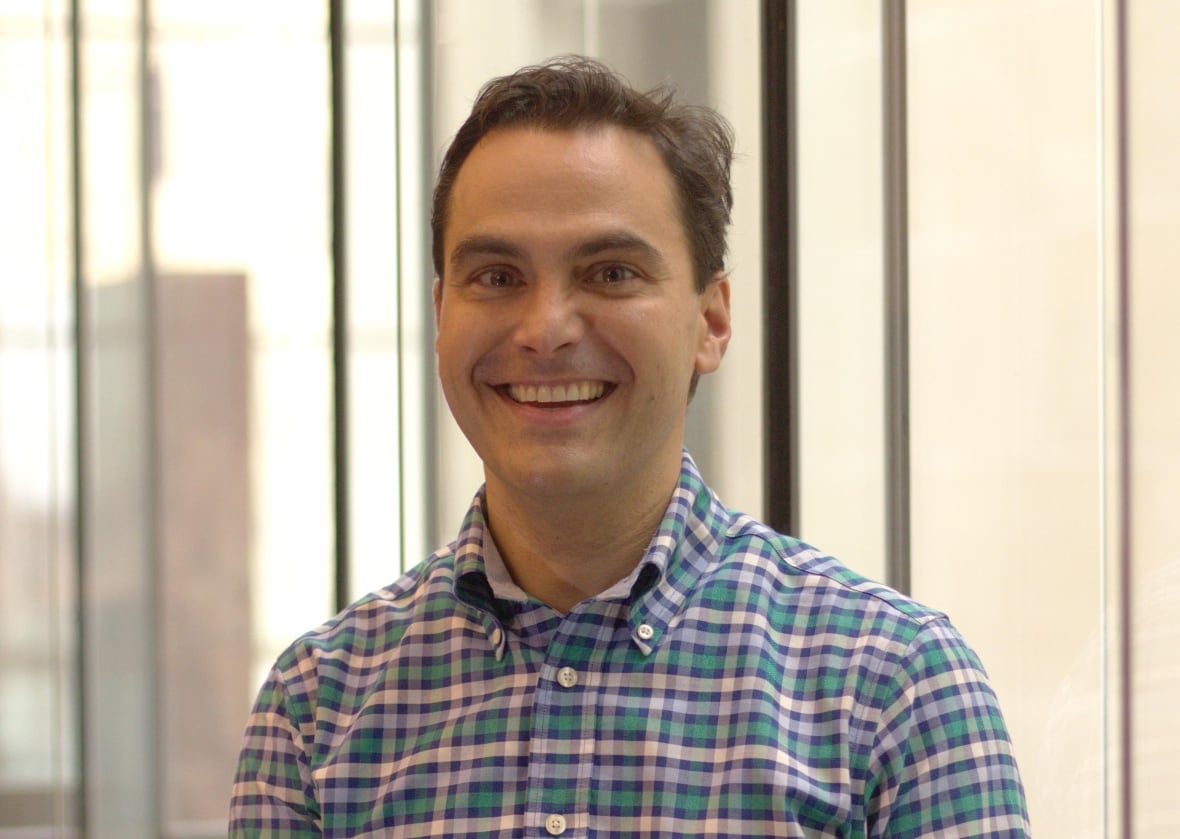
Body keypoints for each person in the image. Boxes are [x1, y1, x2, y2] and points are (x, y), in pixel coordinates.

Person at [230, 56, 1030, 837]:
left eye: (610, 273)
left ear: (711, 320)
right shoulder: (317, 711)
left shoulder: (894, 689)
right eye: (498, 277)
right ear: (442, 315)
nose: (544, 330)